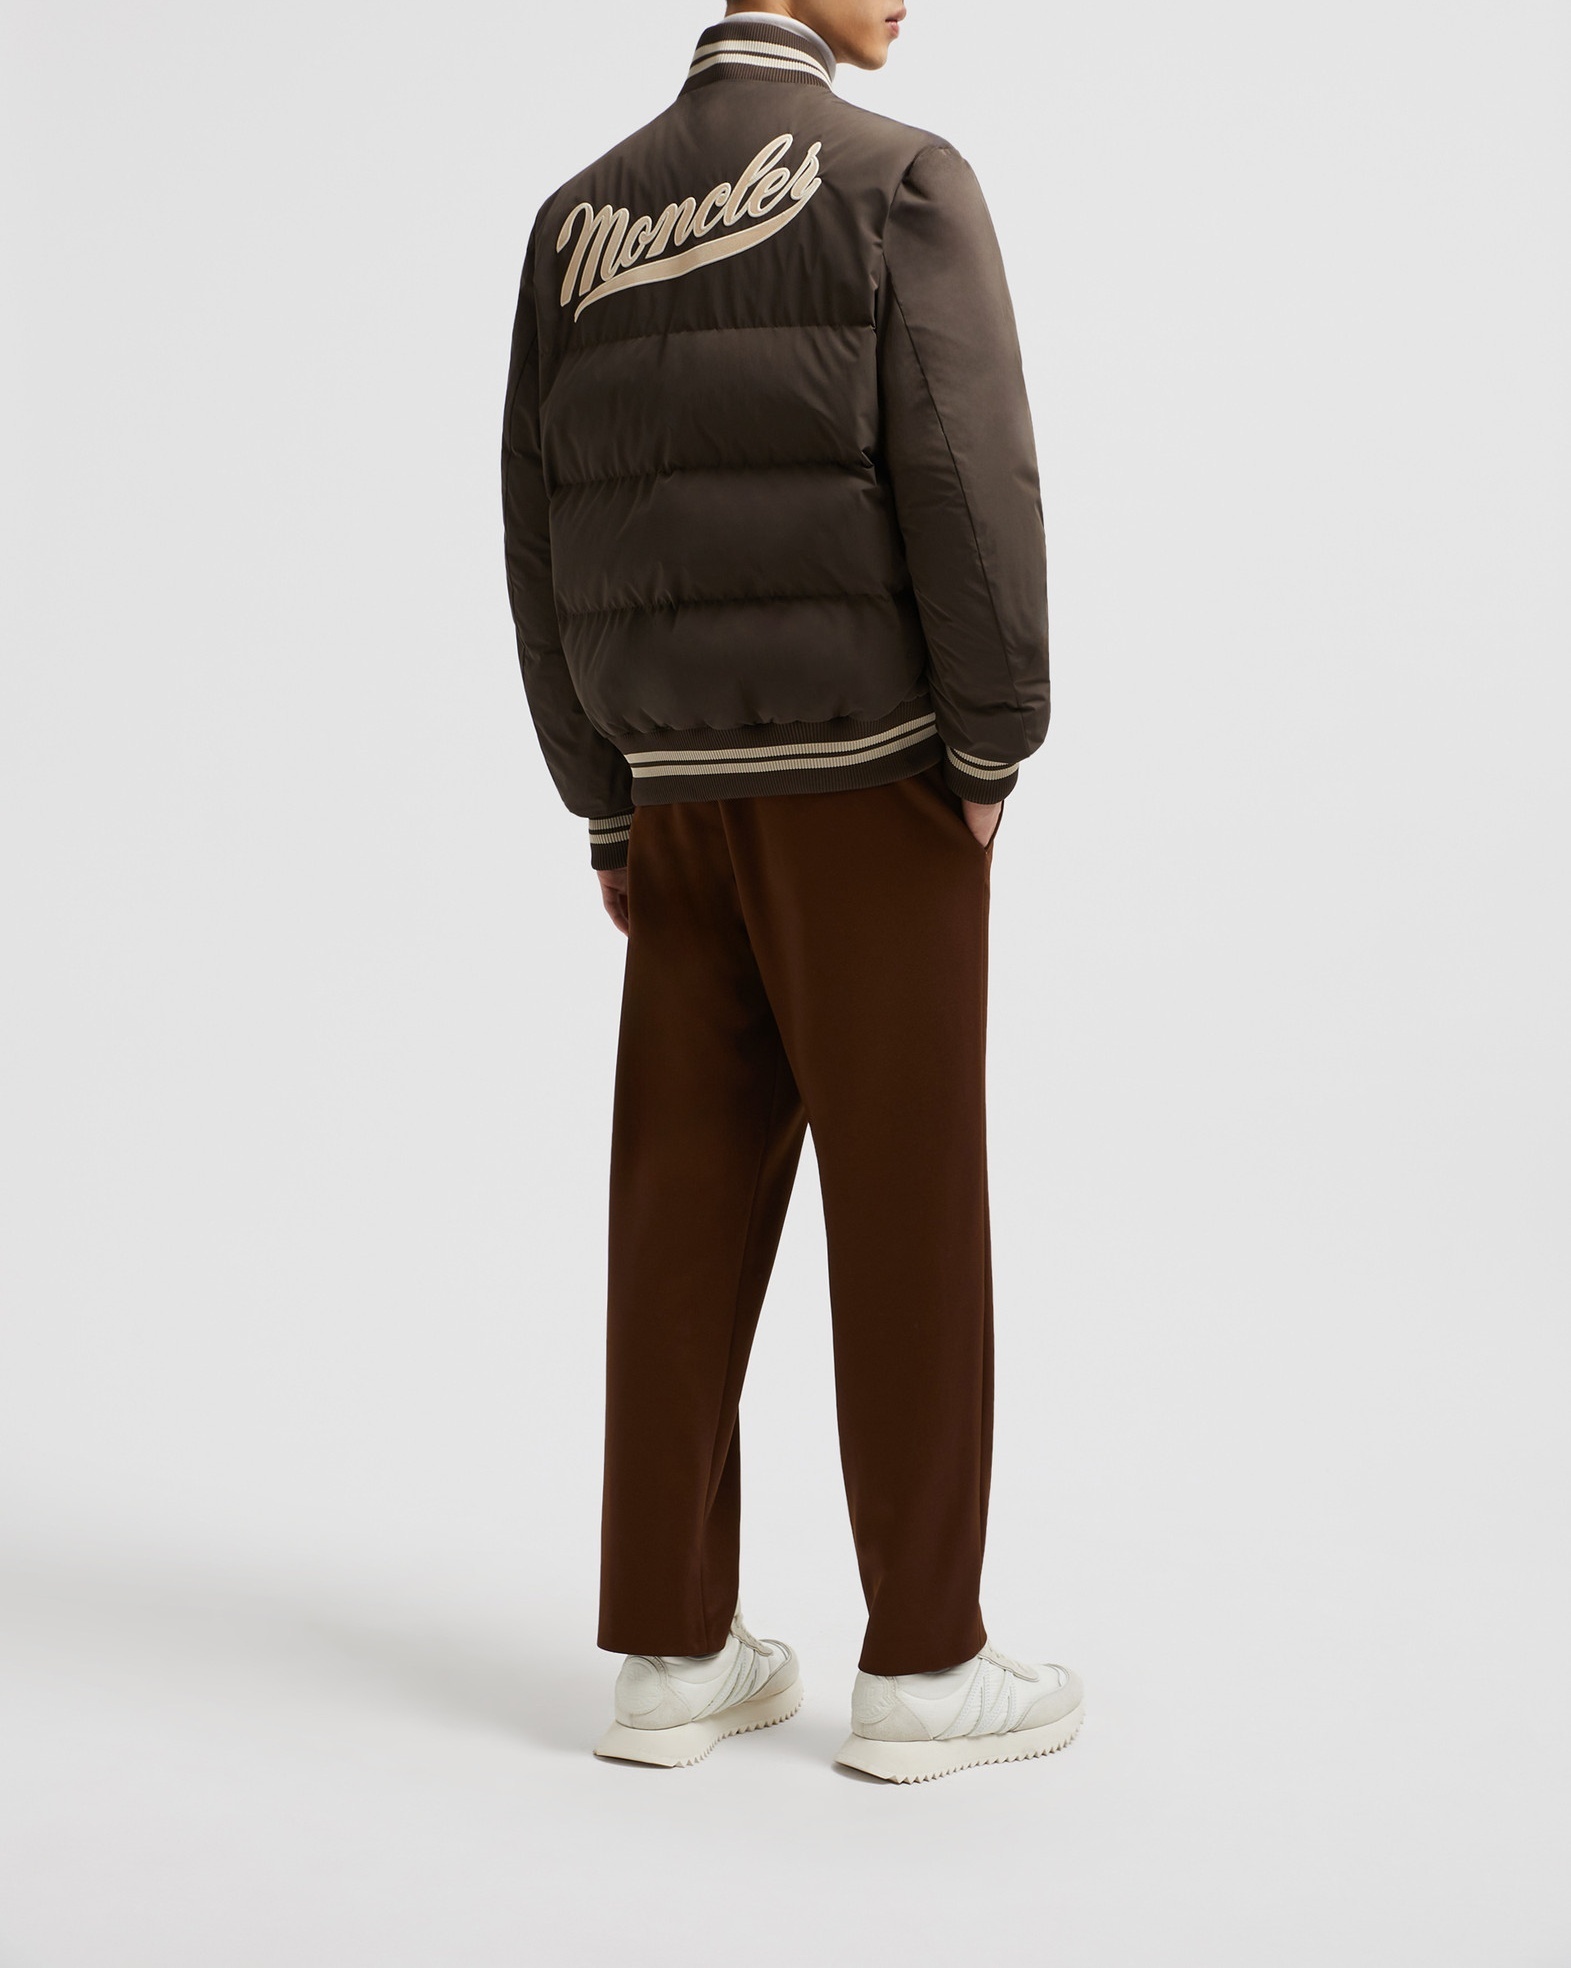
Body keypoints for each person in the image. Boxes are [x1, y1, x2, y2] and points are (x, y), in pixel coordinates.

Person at [501, 0, 1082, 1783]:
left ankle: (672, 1653)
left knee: (678, 1202)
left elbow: (538, 525)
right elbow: (970, 480)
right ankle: (924, 1666)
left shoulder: (579, 221)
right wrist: (993, 743)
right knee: (910, 1204)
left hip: (674, 789)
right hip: (872, 773)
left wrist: (605, 802)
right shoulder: (899, 183)